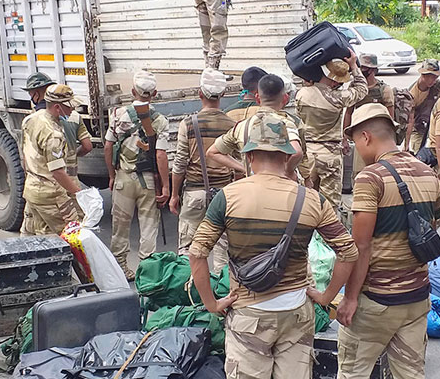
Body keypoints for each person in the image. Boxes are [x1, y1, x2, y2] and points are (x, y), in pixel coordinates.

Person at [188, 113, 358, 379]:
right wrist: (326, 296)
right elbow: (348, 252)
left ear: (249, 156)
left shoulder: (228, 197)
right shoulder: (310, 199)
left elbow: (197, 252)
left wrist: (211, 303)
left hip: (248, 315)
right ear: (287, 157)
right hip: (297, 312)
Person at [317, 104, 439, 379]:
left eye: (355, 141)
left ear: (365, 136)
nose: (356, 148)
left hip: (378, 296)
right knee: (410, 367)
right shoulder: (427, 172)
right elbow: (431, 225)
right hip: (417, 294)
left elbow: (361, 245)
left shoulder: (371, 178)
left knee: (354, 366)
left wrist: (349, 297)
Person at [104, 71, 170, 281]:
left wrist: (112, 174)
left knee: (120, 227)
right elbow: (160, 155)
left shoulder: (117, 114)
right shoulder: (160, 120)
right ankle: (146, 271)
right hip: (148, 180)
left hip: (123, 178)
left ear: (133, 92)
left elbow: (108, 146)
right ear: (155, 93)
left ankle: (121, 268)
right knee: (149, 226)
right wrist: (166, 187)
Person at [170, 69, 235, 274]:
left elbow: (180, 163)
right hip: (224, 194)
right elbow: (239, 163)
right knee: (222, 251)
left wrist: (173, 195)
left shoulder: (189, 124)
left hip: (194, 194)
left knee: (189, 249)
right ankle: (220, 294)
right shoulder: (232, 125)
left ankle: (190, 293)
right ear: (223, 94)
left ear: (200, 93)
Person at [295, 54, 367, 208]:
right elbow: (362, 89)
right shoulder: (338, 98)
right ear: (336, 81)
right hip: (329, 154)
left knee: (306, 201)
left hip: (307, 153)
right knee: (330, 204)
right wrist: (354, 67)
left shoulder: (301, 94)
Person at [209, 73, 305, 181]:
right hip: (284, 189)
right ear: (285, 98)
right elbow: (297, 152)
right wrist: (288, 172)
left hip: (252, 189)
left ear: (257, 98)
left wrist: (245, 168)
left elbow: (213, 152)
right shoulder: (288, 123)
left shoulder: (241, 126)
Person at [20, 84, 84, 236]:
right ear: (57, 107)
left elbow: (24, 155)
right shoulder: (53, 135)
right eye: (69, 107)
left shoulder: (31, 119)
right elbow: (57, 172)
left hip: (31, 187)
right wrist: (79, 194)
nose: (72, 110)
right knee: (73, 235)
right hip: (50, 193)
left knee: (31, 237)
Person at [350, 53, 396, 177]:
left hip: (379, 139)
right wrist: (345, 138)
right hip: (361, 137)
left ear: (373, 70)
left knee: (382, 173)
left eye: (365, 68)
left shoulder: (384, 90)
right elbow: (349, 113)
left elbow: (390, 119)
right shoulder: (355, 88)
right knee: (360, 175)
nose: (361, 70)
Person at [408, 59, 440, 154]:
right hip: (418, 129)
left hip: (434, 127)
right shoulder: (412, 93)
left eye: (435, 77)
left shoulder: (437, 85)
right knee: (420, 156)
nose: (433, 80)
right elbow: (410, 120)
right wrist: (406, 146)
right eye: (430, 77)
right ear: (423, 75)